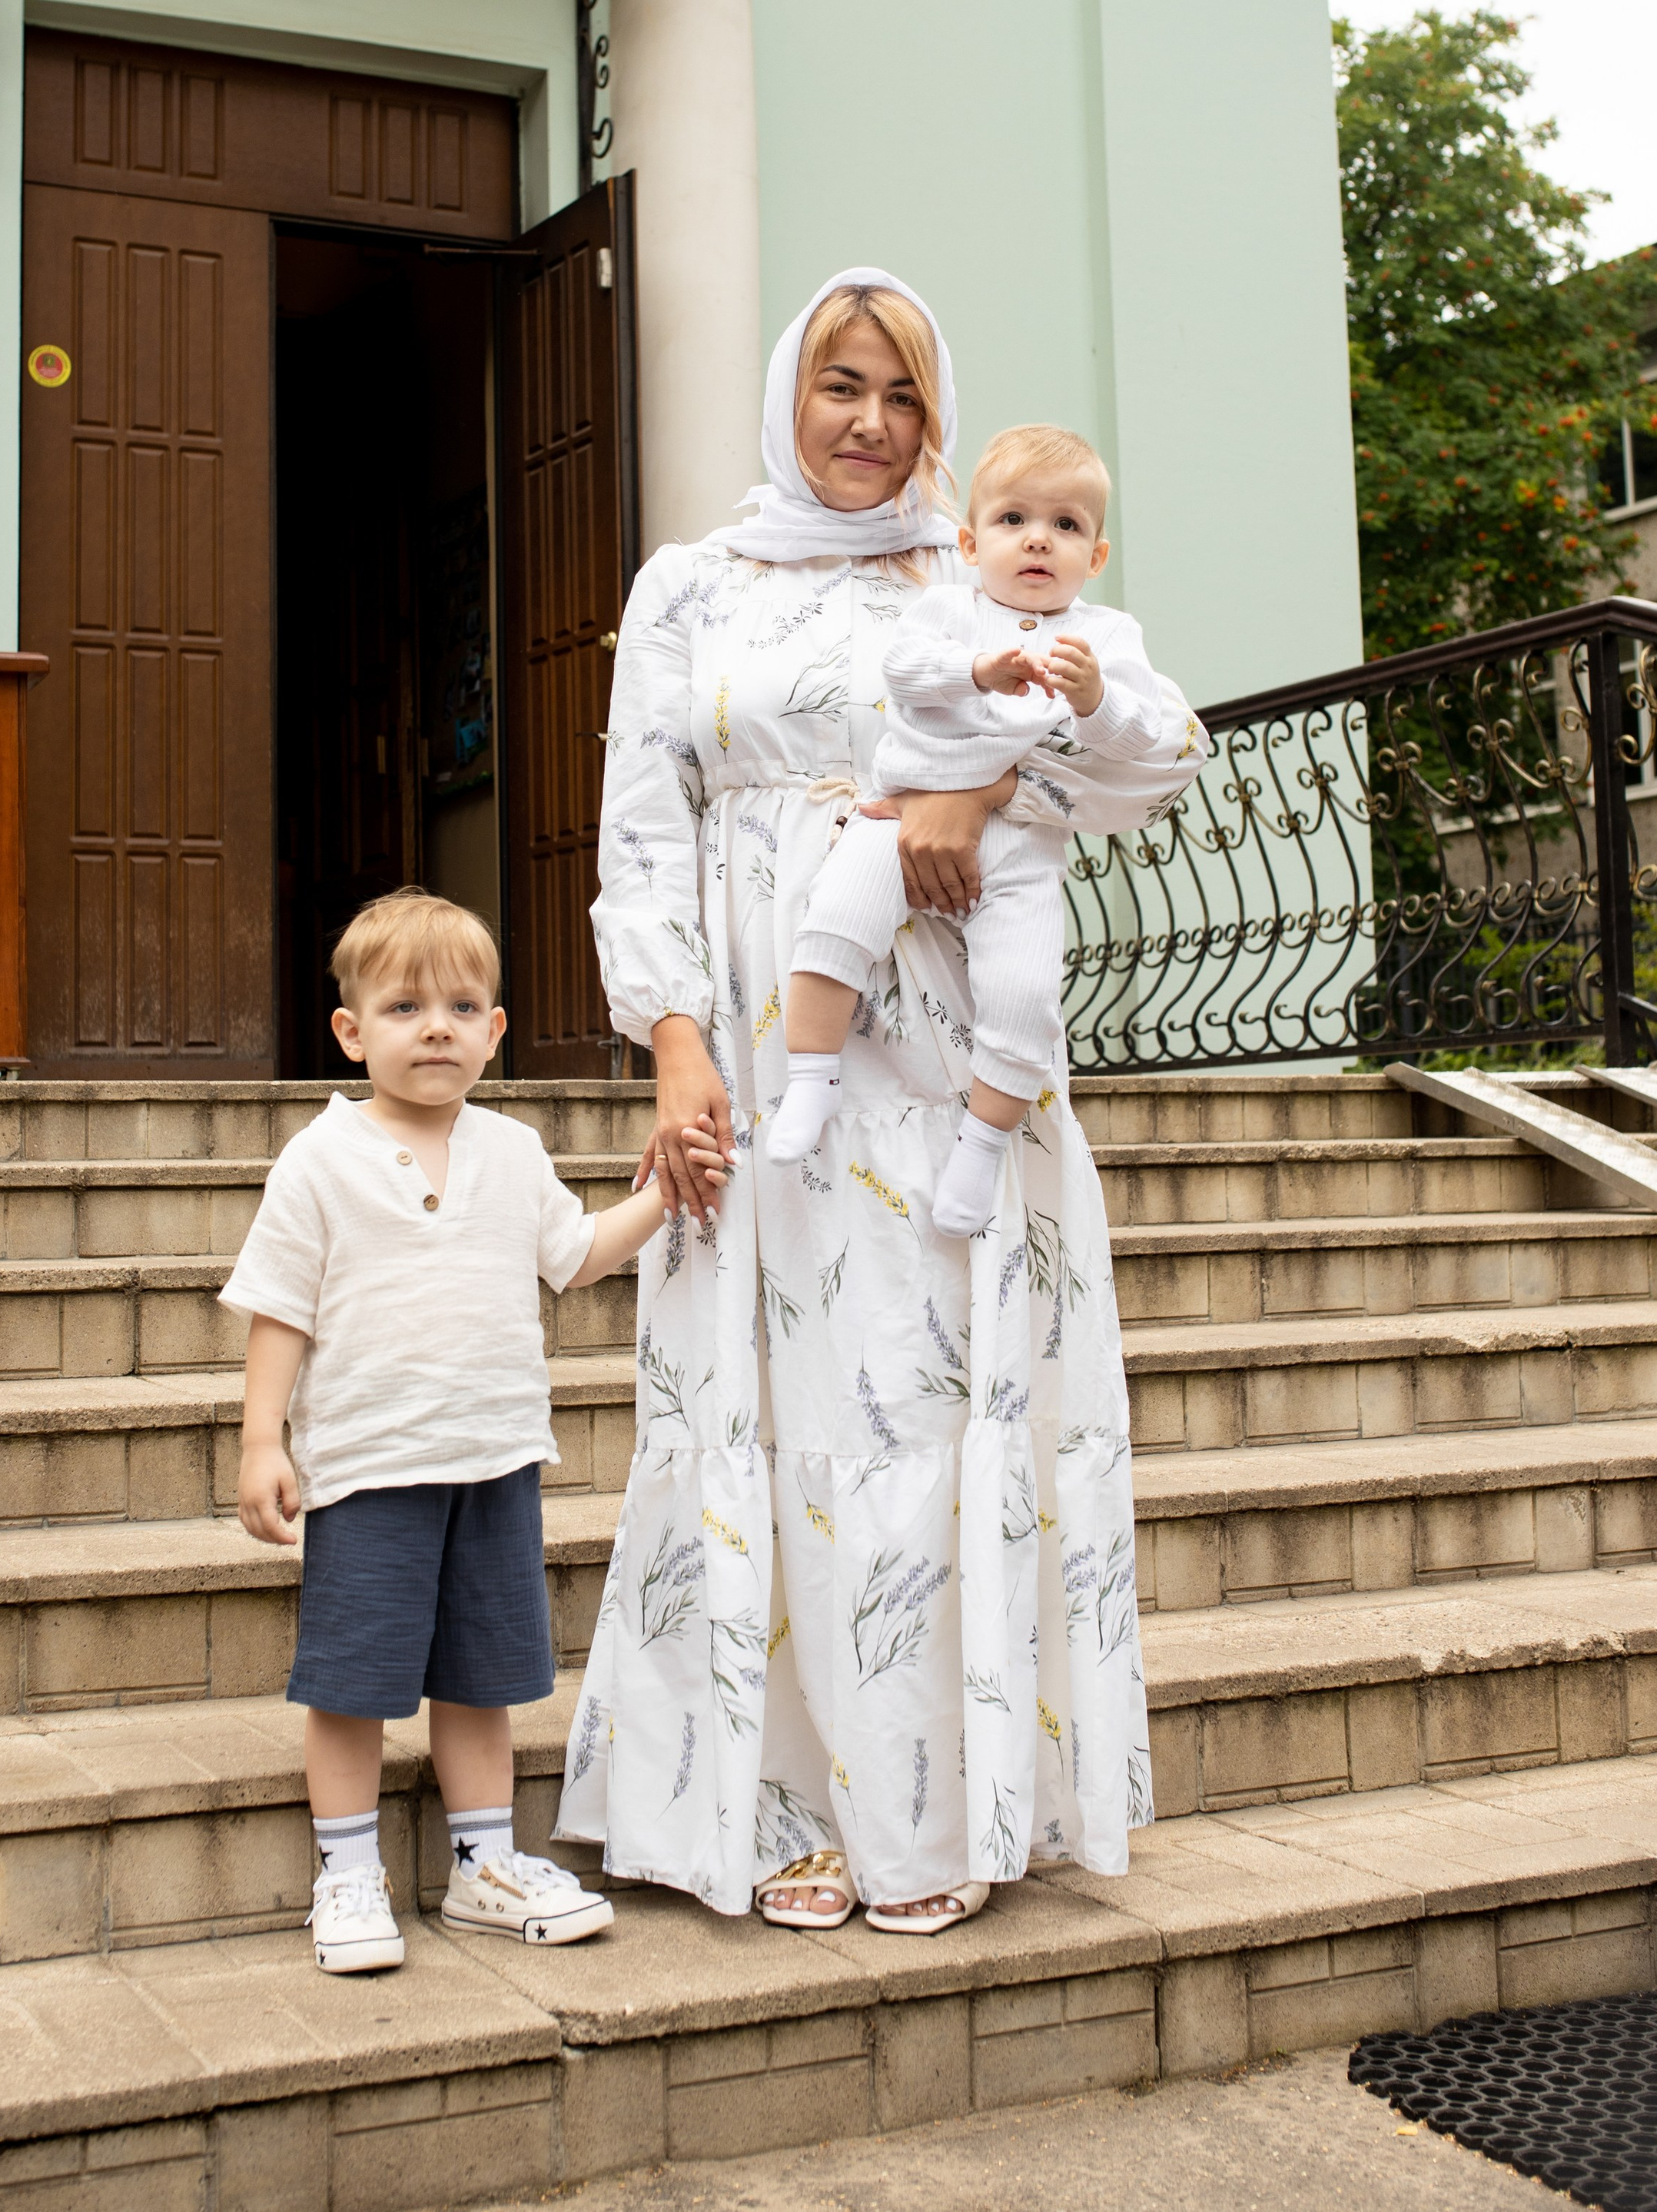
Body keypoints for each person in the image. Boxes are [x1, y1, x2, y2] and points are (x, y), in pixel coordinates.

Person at [555, 267, 1207, 1935]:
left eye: (901, 396)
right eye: (840, 387)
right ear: (788, 395)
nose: (868, 424)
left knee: (924, 1410)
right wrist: (678, 1042)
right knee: (774, 1407)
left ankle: (939, 1815)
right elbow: (641, 825)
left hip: (949, 1043)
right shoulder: (691, 583)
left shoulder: (980, 561)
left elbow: (1152, 752)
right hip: (781, 1054)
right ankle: (778, 1805)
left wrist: (974, 786)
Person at [225, 886, 722, 1973]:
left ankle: (483, 1865)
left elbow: (576, 1255)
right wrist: (265, 1438)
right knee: (352, 1684)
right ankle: (349, 1871)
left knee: (482, 1679)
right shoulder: (321, 1159)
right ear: (352, 1033)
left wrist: (664, 1192)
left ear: (496, 1032)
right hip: (369, 1467)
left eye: (461, 1005)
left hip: (494, 1459)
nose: (436, 1025)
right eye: (404, 1008)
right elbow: (279, 1307)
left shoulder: (511, 1150)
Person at [766, 423, 1194, 1240]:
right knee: (834, 922)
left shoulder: (1106, 638)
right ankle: (811, 1076)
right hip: (903, 809)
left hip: (1023, 846)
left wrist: (1097, 699)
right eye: (1013, 520)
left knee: (1023, 996)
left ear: (1095, 557)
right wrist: (976, 671)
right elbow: (903, 671)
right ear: (969, 542)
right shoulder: (948, 609)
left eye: (1066, 525)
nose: (1039, 538)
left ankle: (982, 1141)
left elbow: (1144, 740)